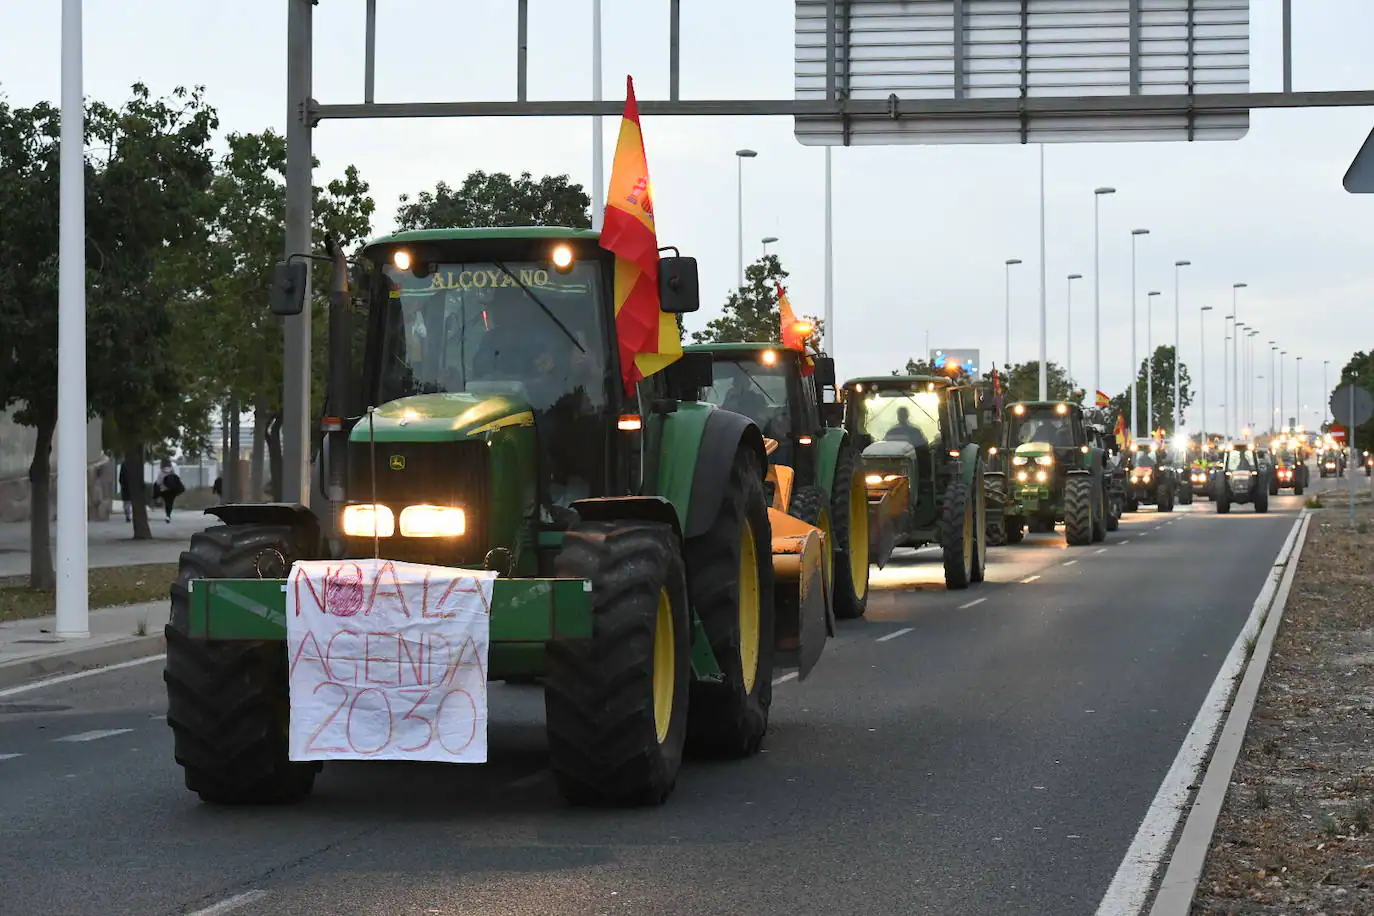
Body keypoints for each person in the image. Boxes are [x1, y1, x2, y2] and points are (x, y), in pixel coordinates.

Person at [154, 459, 185, 523]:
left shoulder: (161, 472)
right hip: (172, 490)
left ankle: (167, 515)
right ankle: (168, 515)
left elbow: (158, 482)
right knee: (170, 503)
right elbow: (177, 479)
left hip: (164, 490)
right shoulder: (172, 471)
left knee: (167, 502)